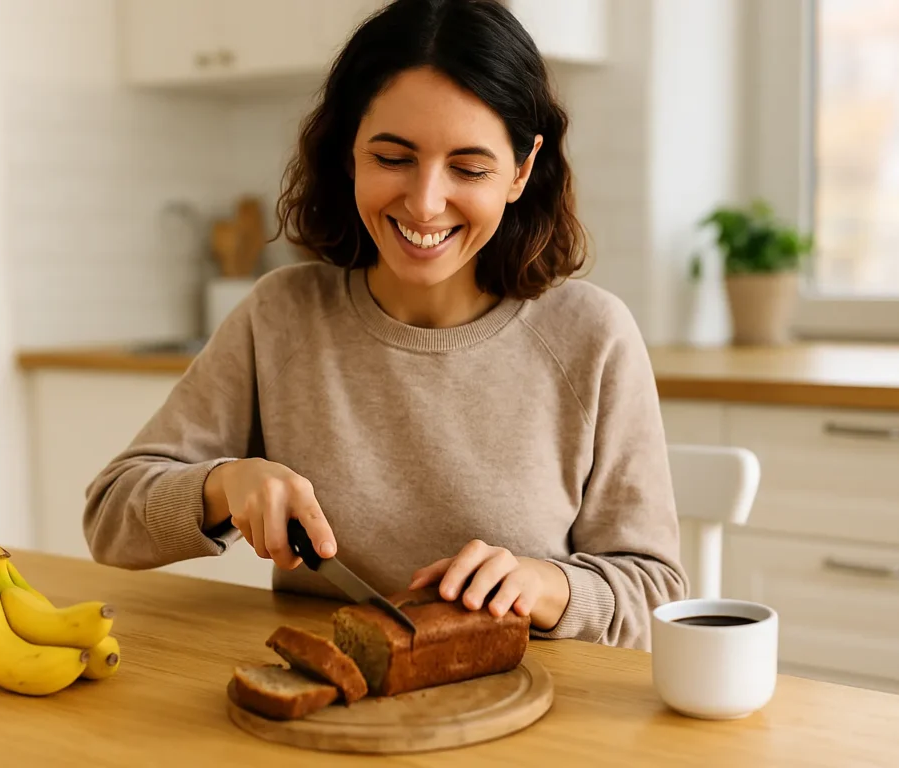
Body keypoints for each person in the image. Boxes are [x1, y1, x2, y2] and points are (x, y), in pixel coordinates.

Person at [83, 0, 686, 650]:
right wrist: (224, 483)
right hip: (329, 717)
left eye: (469, 168)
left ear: (521, 170)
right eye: (393, 158)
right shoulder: (280, 317)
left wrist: (547, 586)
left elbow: (653, 590)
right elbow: (110, 519)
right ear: (349, 152)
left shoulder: (592, 337)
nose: (425, 202)